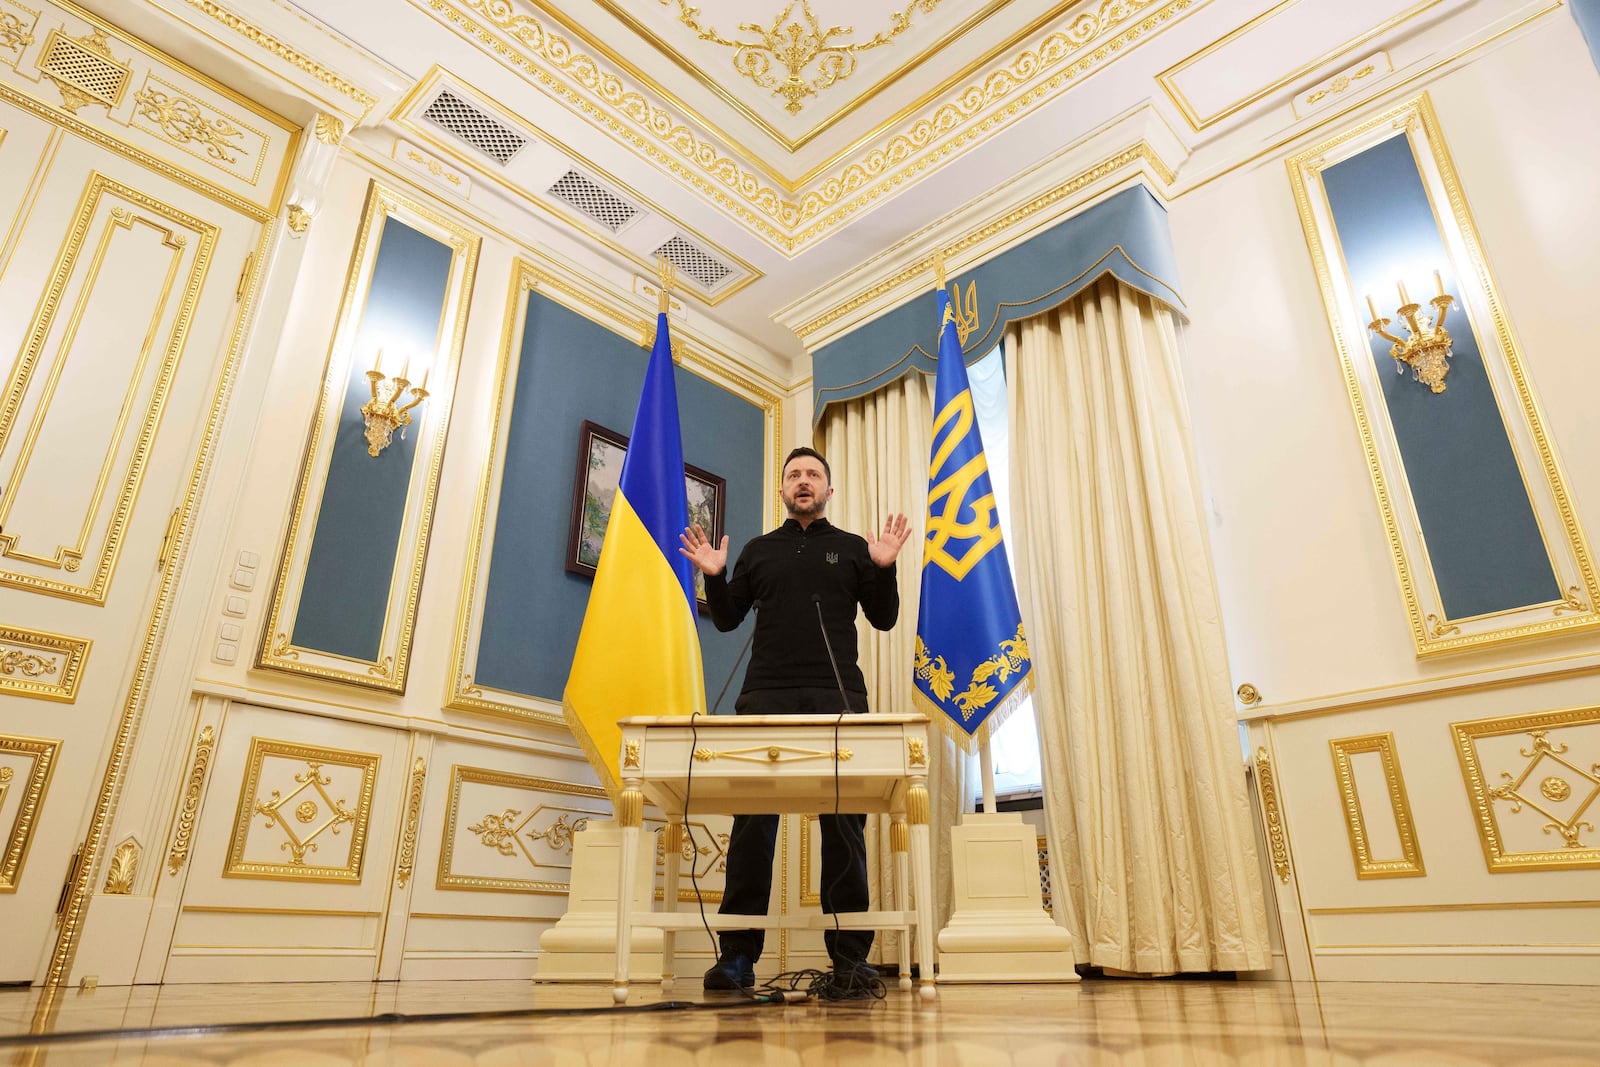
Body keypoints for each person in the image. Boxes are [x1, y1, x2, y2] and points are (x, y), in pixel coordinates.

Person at [679, 446, 911, 995]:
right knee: (753, 828)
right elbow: (730, 619)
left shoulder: (854, 548)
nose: (803, 482)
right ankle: (737, 958)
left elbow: (883, 617)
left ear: (829, 490)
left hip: (839, 700)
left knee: (844, 828)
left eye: (813, 475)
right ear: (782, 491)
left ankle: (851, 963)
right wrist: (714, 576)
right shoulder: (759, 551)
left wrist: (884, 567)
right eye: (794, 476)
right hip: (764, 700)